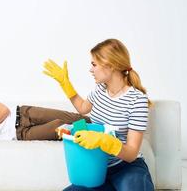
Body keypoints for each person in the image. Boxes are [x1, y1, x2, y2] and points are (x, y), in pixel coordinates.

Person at [43, 39, 154, 191]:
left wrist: (105, 141)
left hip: (126, 167)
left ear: (111, 65)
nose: (90, 69)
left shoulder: (137, 100)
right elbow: (82, 108)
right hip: (97, 167)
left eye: (94, 64)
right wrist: (65, 84)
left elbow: (131, 154)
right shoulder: (100, 90)